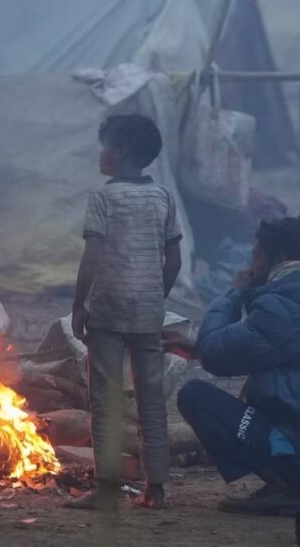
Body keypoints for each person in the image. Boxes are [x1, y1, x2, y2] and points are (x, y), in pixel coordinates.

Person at [172, 216, 300, 516]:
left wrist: (234, 293)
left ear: (279, 259)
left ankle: (290, 487)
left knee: (195, 397)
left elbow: (215, 353)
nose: (251, 267)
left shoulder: (283, 307)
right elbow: (264, 348)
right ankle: (292, 478)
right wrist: (198, 348)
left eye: (257, 257)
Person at [67, 114, 183, 511]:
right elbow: (174, 260)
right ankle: (157, 489)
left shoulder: (104, 197)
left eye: (104, 145)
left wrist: (79, 303)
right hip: (148, 312)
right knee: (151, 397)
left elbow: (92, 255)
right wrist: (154, 296)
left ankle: (107, 489)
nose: (100, 152)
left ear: (120, 151)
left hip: (108, 309)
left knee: (106, 396)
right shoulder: (163, 197)